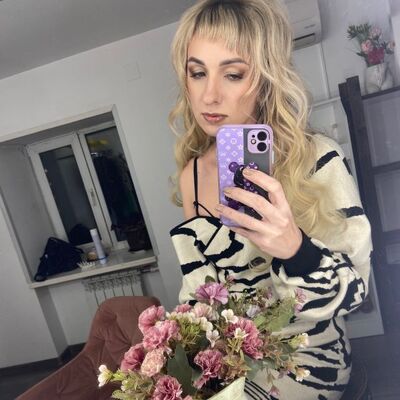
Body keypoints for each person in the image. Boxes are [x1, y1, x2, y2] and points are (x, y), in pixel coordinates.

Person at [168, 1, 372, 399]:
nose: (210, 95)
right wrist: (178, 352)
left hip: (309, 356)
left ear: (265, 78)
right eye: (198, 73)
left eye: (233, 74)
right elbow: (200, 288)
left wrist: (295, 249)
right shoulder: (192, 175)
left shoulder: (317, 158)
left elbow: (357, 292)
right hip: (236, 357)